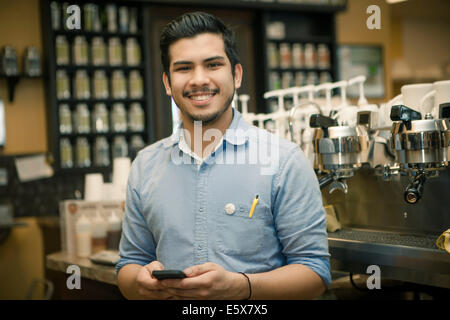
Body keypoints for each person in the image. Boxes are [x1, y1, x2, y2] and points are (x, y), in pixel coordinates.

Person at [116, 11, 331, 300]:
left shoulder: (284, 161)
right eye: (184, 68)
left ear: (236, 75)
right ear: (168, 83)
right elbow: (129, 263)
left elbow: (314, 273)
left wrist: (242, 287)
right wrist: (139, 283)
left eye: (213, 64)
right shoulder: (145, 165)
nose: (199, 80)